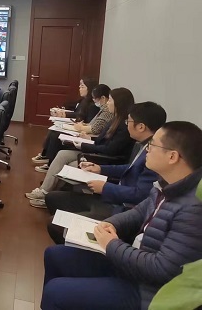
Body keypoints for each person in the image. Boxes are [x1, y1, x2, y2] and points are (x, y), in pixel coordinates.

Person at [41, 121, 202, 310]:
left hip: (149, 292)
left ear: (172, 156)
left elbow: (161, 269)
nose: (147, 149)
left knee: (55, 292)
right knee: (54, 255)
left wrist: (112, 245)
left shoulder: (193, 209)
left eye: (153, 145)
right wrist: (111, 224)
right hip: (131, 265)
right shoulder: (165, 184)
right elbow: (139, 212)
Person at [45, 102, 166, 243]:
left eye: (128, 121)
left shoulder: (154, 155)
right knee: (52, 198)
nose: (126, 125)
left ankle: (78, 245)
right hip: (113, 197)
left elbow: (140, 195)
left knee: (56, 224)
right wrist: (100, 168)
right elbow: (130, 168)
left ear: (141, 127)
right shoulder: (142, 145)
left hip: (122, 208)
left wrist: (105, 188)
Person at [26, 87, 135, 208]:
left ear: (119, 104)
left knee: (71, 164)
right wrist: (89, 140)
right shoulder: (114, 119)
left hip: (104, 159)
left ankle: (50, 197)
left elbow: (110, 150)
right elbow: (101, 141)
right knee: (62, 154)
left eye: (110, 100)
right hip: (96, 152)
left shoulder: (124, 126)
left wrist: (84, 145)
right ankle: (44, 191)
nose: (108, 103)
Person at [33, 83, 111, 172]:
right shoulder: (99, 108)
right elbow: (92, 124)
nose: (93, 100)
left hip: (89, 137)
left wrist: (81, 127)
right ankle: (46, 157)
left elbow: (95, 129)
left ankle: (50, 163)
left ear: (103, 98)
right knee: (54, 131)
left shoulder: (106, 112)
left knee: (57, 136)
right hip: (85, 133)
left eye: (110, 100)